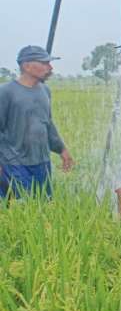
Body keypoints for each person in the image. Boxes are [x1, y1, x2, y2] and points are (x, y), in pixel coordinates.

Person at [0, 45, 74, 199]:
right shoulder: (5, 92)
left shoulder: (44, 91)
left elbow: (47, 123)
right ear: (27, 66)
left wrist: (62, 149)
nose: (50, 67)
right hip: (13, 164)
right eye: (44, 63)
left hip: (41, 161)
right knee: (21, 209)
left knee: (44, 205)